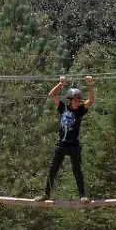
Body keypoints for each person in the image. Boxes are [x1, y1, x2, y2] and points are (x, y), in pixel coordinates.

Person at [37, 75, 95, 203]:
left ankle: (82, 196)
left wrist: (90, 85)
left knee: (77, 169)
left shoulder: (80, 110)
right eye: (75, 101)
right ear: (69, 100)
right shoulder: (62, 107)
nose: (77, 103)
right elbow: (52, 95)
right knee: (53, 169)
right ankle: (46, 194)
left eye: (79, 101)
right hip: (61, 144)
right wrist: (61, 84)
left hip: (73, 144)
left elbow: (90, 101)